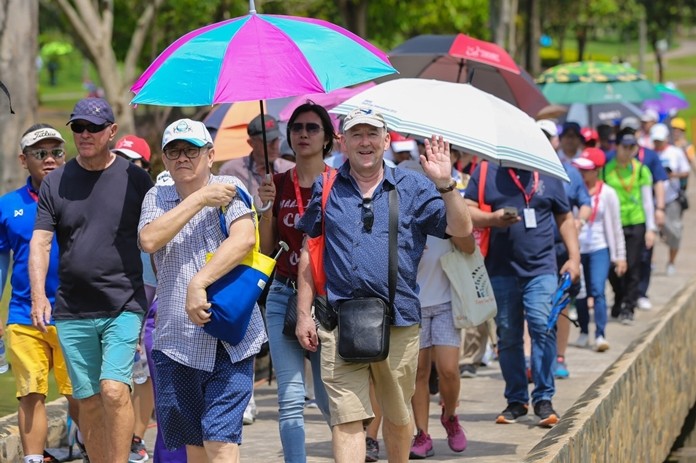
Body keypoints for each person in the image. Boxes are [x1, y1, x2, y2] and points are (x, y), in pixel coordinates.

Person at [295, 107, 473, 463]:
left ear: (386, 140)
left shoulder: (414, 186)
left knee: (397, 416)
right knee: (346, 419)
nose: (365, 142)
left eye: (372, 134)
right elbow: (308, 250)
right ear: (342, 142)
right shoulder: (326, 185)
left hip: (398, 321)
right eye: (356, 134)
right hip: (338, 323)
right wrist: (303, 314)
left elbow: (461, 229)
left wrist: (445, 184)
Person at [29, 98, 153, 463]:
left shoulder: (135, 179)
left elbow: (158, 233)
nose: (85, 134)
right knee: (89, 402)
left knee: (113, 390)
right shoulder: (55, 182)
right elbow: (41, 242)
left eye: (94, 128)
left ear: (111, 132)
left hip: (123, 304)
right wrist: (39, 296)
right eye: (78, 128)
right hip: (73, 310)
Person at [138, 118, 266, 463]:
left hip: (229, 334)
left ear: (210, 155)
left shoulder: (229, 186)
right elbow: (149, 239)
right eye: (174, 151)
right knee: (193, 444)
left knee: (219, 439)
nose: (182, 158)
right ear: (165, 159)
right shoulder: (157, 196)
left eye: (191, 151)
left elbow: (245, 239)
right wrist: (199, 199)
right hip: (176, 339)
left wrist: (199, 283)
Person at [464, 158, 580, 428]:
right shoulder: (486, 170)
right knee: (508, 335)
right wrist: (493, 219)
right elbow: (466, 210)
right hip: (500, 269)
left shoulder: (548, 171)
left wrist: (574, 258)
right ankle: (516, 399)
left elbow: (565, 217)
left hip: (541, 268)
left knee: (543, 327)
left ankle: (543, 398)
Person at [0, 124, 80, 463]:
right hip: (24, 313)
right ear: (24, 160)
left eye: (56, 152)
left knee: (78, 393)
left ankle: (89, 443)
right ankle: (34, 459)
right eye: (40, 153)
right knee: (30, 391)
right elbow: (1, 264)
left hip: (75, 313)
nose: (50, 159)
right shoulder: (8, 206)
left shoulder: (83, 197)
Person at [257, 103, 332, 462]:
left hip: (327, 300)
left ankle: (352, 451)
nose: (303, 134)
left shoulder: (339, 182)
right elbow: (266, 249)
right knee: (289, 397)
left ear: (327, 138)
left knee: (330, 397)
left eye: (312, 128)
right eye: (297, 128)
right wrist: (265, 209)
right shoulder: (277, 183)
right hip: (282, 294)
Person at [217, 113, 293, 424]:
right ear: (251, 142)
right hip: (246, 260)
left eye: (276, 140)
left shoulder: (288, 168)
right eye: (267, 141)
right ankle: (245, 397)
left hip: (281, 255)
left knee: (292, 321)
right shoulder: (231, 171)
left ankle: (298, 388)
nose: (274, 146)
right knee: (242, 325)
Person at [397, 160, 471, 459]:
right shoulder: (399, 217)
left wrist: (451, 200)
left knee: (449, 370)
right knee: (419, 373)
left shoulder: (442, 212)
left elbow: (469, 247)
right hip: (411, 306)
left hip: (444, 303)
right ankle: (422, 434)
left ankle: (450, 416)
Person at [571, 148, 627, 352]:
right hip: (578, 248)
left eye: (586, 170)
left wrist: (620, 256)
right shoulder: (573, 190)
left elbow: (616, 226)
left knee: (597, 290)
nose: (582, 173)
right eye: (580, 169)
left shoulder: (608, 193)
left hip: (599, 247)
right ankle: (584, 331)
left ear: (597, 170)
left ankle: (600, 334)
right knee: (580, 291)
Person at [601, 129, 655, 324]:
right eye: (625, 146)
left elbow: (647, 202)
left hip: (636, 222)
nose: (628, 150)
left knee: (632, 265)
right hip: (613, 224)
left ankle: (628, 305)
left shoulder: (641, 170)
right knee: (612, 266)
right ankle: (619, 296)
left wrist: (651, 228)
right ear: (617, 147)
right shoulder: (606, 170)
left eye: (632, 147)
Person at [650, 123, 690, 275]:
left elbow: (686, 172)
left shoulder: (675, 152)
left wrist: (673, 175)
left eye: (660, 141)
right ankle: (651, 262)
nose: (657, 144)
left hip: (672, 198)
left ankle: (671, 262)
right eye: (655, 141)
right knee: (651, 232)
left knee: (675, 232)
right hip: (653, 200)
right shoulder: (650, 154)